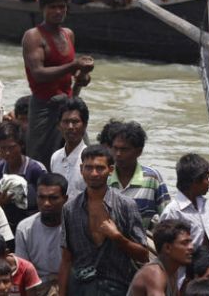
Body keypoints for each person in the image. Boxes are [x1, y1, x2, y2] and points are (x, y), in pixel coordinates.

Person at [59, 145, 149, 296]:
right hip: (80, 288)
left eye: (100, 168)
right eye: (89, 168)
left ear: (111, 170)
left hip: (117, 287)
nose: (94, 173)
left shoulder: (126, 206)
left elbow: (143, 255)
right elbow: (66, 260)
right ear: (81, 169)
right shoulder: (69, 209)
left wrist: (117, 237)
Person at [21, 0, 93, 168]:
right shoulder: (33, 36)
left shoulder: (68, 34)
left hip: (68, 104)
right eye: (52, 7)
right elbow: (38, 74)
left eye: (62, 7)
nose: (58, 11)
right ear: (43, 8)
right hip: (44, 107)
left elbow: (71, 72)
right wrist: (74, 65)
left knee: (84, 156)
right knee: (39, 161)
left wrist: (82, 75)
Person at [98, 120, 171, 229]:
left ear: (139, 151)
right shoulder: (103, 177)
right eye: (115, 148)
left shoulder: (152, 178)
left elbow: (167, 217)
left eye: (124, 149)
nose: (118, 154)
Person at [0, 120, 47, 234]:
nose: (7, 153)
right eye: (2, 148)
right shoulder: (0, 168)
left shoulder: (36, 169)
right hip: (6, 223)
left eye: (11, 147)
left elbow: (48, 199)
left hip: (33, 224)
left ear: (21, 145)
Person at [15, 173, 69, 295]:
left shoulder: (75, 226)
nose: (46, 203)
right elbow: (24, 272)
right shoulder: (24, 228)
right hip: (38, 287)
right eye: (41, 197)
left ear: (65, 199)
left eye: (53, 198)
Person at [126, 220, 193, 296]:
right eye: (184, 243)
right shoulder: (155, 274)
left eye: (190, 242)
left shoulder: (172, 271)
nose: (191, 247)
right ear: (167, 248)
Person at [49, 97, 90, 199]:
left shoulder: (90, 159)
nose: (70, 127)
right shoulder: (55, 157)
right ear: (59, 125)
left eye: (75, 122)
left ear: (85, 125)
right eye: (66, 122)